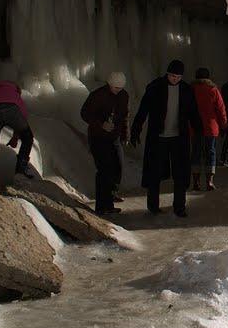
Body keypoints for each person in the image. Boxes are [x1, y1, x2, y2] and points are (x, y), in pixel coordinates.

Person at [130, 60, 202, 217]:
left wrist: (199, 131)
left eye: (178, 77)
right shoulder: (155, 87)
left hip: (179, 138)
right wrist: (136, 129)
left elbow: (193, 113)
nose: (175, 79)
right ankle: (153, 206)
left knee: (180, 174)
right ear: (167, 74)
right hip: (158, 137)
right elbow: (143, 110)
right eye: (172, 76)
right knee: (154, 173)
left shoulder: (186, 90)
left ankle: (179, 207)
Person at [80, 72, 129, 215]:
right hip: (98, 138)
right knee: (104, 170)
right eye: (115, 88)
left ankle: (111, 193)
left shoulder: (124, 95)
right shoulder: (98, 95)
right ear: (109, 84)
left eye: (120, 88)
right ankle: (103, 205)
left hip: (114, 138)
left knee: (118, 165)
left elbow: (125, 115)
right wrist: (101, 124)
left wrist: (125, 133)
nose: (117, 91)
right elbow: (84, 113)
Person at [191, 67, 227, 192]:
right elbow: (221, 109)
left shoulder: (191, 90)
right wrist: (223, 125)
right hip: (210, 128)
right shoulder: (213, 90)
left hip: (195, 128)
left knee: (196, 153)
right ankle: (209, 181)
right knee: (210, 154)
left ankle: (195, 182)